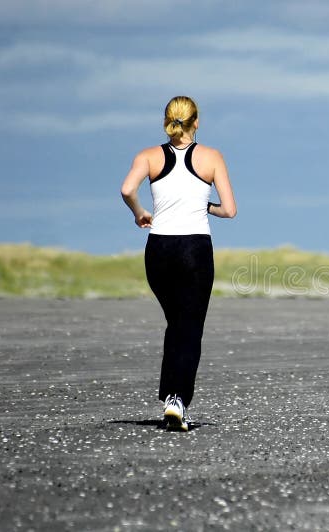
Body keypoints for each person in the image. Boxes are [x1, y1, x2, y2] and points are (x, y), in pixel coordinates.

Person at [120, 96, 237, 431]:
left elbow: (127, 188)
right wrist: (204, 206)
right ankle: (176, 399)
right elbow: (229, 210)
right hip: (194, 249)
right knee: (189, 328)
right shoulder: (212, 157)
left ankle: (171, 396)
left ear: (167, 121)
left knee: (177, 324)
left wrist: (140, 212)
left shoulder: (148, 156)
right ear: (196, 122)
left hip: (158, 250)